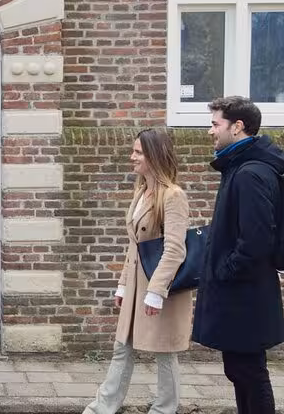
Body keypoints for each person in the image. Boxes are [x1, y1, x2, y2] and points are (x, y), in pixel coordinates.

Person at [83, 129, 192, 414]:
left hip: (160, 287)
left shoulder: (173, 196)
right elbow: (134, 246)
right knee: (123, 346)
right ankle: (102, 407)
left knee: (164, 351)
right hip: (135, 285)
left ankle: (164, 409)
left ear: (154, 156)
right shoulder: (142, 191)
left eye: (139, 152)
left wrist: (156, 292)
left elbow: (175, 249)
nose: (132, 157)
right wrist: (122, 285)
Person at [192, 97, 284, 414]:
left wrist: (225, 271)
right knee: (241, 372)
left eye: (215, 124)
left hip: (245, 294)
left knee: (250, 373)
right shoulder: (240, 168)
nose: (210, 132)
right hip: (244, 293)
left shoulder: (250, 174)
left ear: (238, 126)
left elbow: (256, 240)